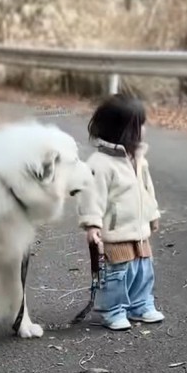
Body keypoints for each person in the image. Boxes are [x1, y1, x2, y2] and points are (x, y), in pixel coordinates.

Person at [77, 94, 164, 331]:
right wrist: (92, 224)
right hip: (115, 232)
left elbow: (147, 190)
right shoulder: (100, 163)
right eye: (140, 124)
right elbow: (91, 195)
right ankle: (111, 310)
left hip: (139, 230)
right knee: (117, 274)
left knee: (143, 270)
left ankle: (141, 304)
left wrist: (152, 213)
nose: (144, 129)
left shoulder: (138, 159)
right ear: (123, 129)